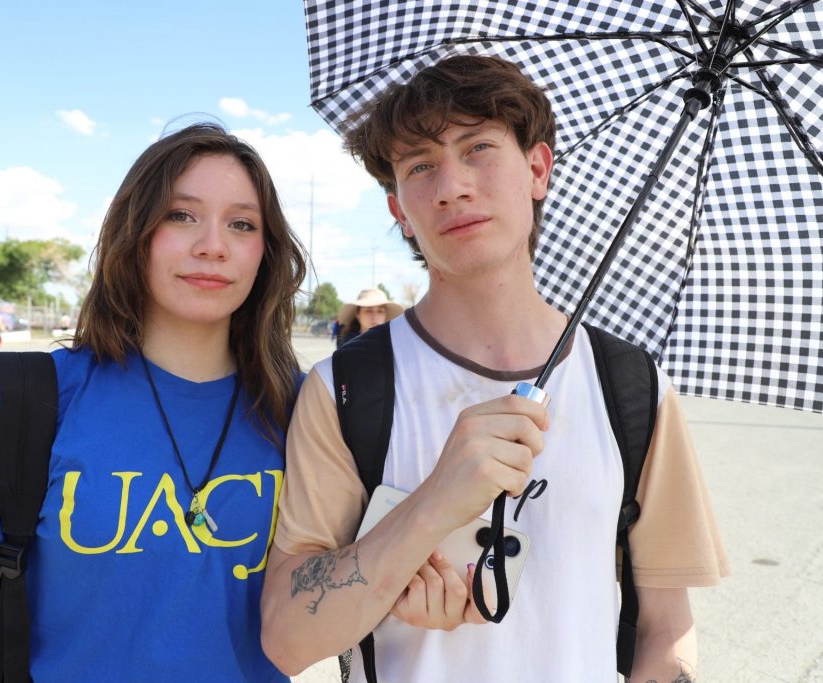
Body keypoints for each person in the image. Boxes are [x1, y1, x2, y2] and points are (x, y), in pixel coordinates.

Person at [261, 56, 729, 682]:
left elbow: (666, 628)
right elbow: (288, 639)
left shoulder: (631, 386)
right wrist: (431, 505)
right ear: (399, 210)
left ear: (537, 169)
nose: (452, 186)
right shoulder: (345, 389)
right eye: (420, 166)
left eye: (478, 148)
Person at [0, 122, 307, 680]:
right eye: (181, 215)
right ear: (134, 232)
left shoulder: (304, 409)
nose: (213, 245)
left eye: (242, 223)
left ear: (266, 252)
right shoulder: (33, 396)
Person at [335, 288, 403, 347]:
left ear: (385, 315)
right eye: (368, 311)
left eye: (380, 311)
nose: (375, 316)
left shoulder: (395, 345)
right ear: (358, 314)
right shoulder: (347, 346)